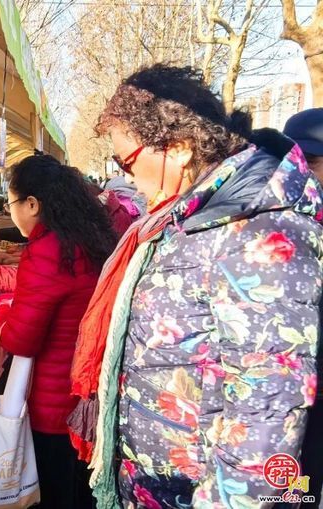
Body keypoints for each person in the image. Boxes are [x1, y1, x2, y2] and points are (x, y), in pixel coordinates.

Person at [69, 65, 323, 508]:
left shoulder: (260, 233)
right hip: (159, 484)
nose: (126, 177)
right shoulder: (191, 215)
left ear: (181, 148)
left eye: (126, 161)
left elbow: (266, 412)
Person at [0, 153, 118, 509]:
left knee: (54, 489)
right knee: (77, 487)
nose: (11, 210)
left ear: (32, 204)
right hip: (83, 394)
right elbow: (53, 291)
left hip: (54, 400)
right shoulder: (81, 239)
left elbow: (22, 339)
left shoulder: (47, 249)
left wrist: (1, 312)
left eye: (11, 202)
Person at [285, 108, 323, 508]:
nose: (302, 171)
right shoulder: (285, 218)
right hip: (291, 389)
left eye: (311, 162)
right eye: (295, 160)